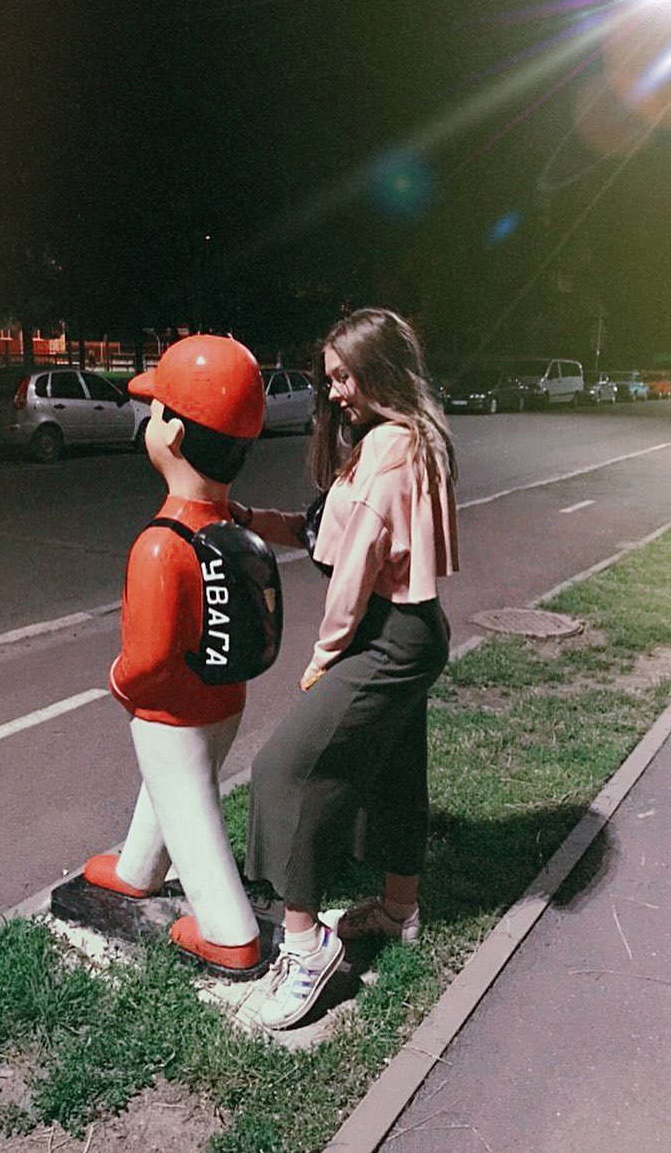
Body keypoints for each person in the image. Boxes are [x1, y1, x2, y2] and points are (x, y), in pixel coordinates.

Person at [230, 307, 459, 1028]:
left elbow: (354, 566)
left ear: (380, 370)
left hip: (385, 634)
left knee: (284, 769)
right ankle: (397, 910)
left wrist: (323, 657)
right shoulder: (408, 437)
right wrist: (250, 518)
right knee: (395, 770)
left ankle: (306, 949)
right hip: (413, 630)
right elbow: (320, 528)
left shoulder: (388, 445)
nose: (334, 393)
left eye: (345, 377)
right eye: (328, 379)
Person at [82, 334, 267, 975]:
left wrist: (120, 680)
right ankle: (139, 868)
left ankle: (229, 930)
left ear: (176, 434)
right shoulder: (226, 524)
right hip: (224, 697)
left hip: (172, 711)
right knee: (173, 787)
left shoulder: (161, 544)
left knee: (189, 806)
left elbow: (152, 657)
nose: (149, 420)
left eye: (157, 411)